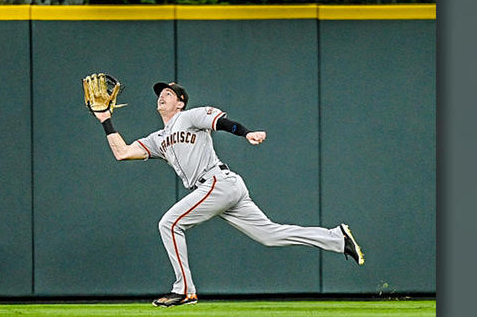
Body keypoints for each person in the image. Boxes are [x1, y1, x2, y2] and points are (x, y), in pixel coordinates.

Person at [92, 81, 364, 307]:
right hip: (221, 188)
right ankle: (336, 238)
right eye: (160, 94)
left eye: (169, 93)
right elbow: (122, 152)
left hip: (216, 182)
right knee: (270, 235)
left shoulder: (189, 116)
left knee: (170, 223)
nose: (162, 96)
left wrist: (246, 134)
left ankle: (184, 289)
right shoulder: (158, 138)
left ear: (181, 102)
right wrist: (105, 120)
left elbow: (221, 122)